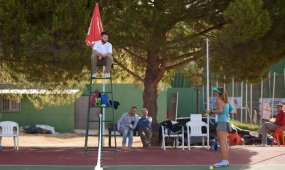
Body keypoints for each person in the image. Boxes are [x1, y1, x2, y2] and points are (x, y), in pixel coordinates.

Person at [206, 87, 233, 168]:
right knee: (224, 143)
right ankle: (225, 160)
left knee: (221, 143)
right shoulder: (227, 101)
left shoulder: (218, 99)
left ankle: (223, 161)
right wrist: (219, 112)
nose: (215, 93)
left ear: (219, 93)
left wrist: (210, 111)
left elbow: (220, 110)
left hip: (222, 123)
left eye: (216, 92)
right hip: (227, 122)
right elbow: (230, 109)